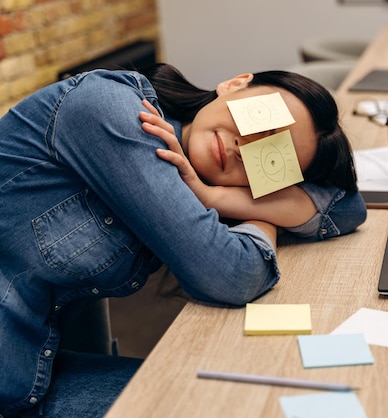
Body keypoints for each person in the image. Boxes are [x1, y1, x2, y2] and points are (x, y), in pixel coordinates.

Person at [0, 63, 366, 417]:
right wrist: (263, 209)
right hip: (13, 387)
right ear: (236, 84)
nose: (244, 147)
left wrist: (215, 198)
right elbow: (230, 275)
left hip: (32, 364)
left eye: (270, 159)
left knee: (272, 396)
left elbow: (347, 207)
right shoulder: (114, 110)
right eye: (260, 120)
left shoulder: (203, 177)